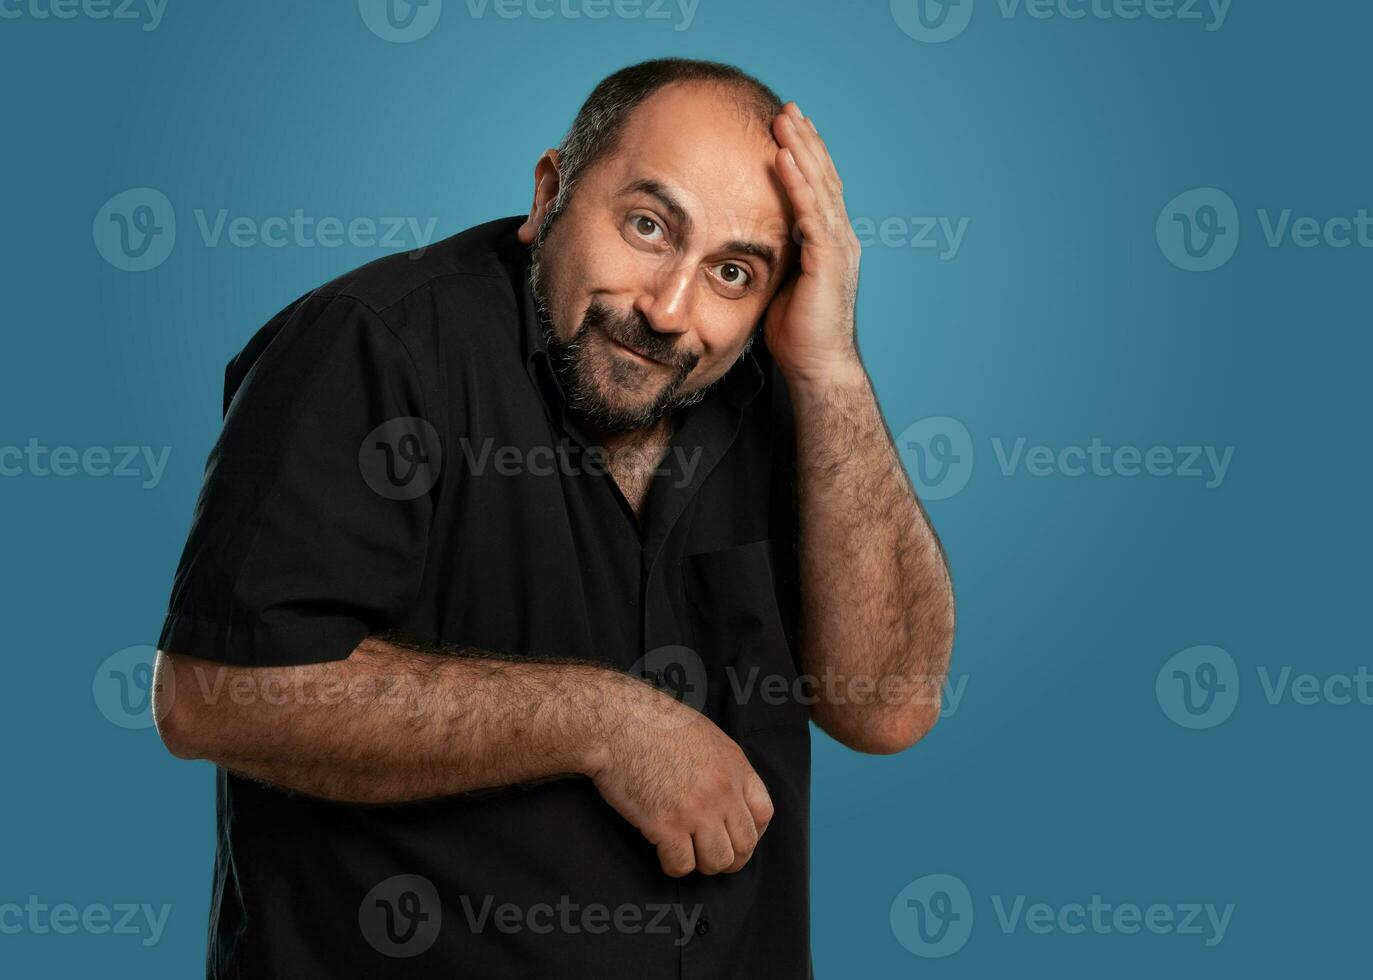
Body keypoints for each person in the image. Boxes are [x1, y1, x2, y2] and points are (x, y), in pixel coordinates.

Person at [154, 56, 956, 978]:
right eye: (648, 226)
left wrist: (833, 368)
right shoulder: (375, 343)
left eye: (733, 271)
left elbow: (887, 709)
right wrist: (604, 723)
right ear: (549, 195)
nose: (668, 310)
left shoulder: (784, 391)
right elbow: (213, 695)